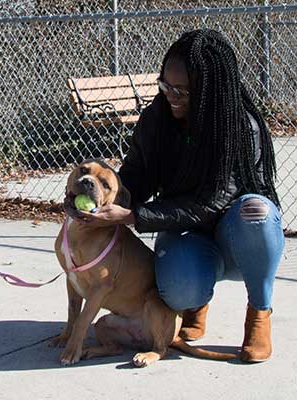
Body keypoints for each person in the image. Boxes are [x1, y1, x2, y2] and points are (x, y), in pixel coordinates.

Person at [68, 29, 285, 363]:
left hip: (236, 237)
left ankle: (259, 311)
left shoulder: (240, 125)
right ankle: (195, 303)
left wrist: (135, 217)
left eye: (183, 90)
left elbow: (211, 201)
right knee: (175, 287)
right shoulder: (158, 117)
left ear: (210, 91)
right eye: (165, 86)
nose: (172, 95)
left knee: (256, 210)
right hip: (189, 234)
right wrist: (109, 201)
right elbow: (137, 172)